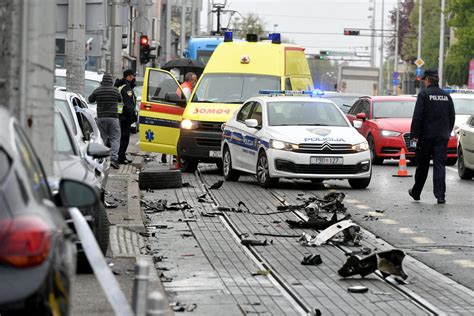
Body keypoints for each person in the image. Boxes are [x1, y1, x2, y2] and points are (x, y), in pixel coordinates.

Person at [408, 69, 455, 204]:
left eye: (424, 80)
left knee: (422, 166)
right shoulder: (446, 96)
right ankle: (440, 196)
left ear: (428, 80)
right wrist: (447, 131)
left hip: (426, 137)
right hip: (441, 136)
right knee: (440, 165)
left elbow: (417, 117)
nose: (423, 82)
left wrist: (414, 136)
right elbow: (451, 116)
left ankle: (416, 192)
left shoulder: (424, 94)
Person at [88, 73, 122, 169]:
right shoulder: (115, 90)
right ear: (111, 81)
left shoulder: (98, 90)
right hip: (113, 118)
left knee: (102, 138)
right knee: (114, 138)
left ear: (102, 81)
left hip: (101, 118)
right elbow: (120, 100)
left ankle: (102, 159)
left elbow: (90, 99)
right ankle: (114, 159)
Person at [115, 69, 138, 165]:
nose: (134, 79)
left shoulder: (120, 86)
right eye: (133, 77)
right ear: (129, 77)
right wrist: (132, 118)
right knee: (124, 138)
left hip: (119, 116)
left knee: (120, 138)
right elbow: (129, 106)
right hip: (124, 117)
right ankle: (120, 157)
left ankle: (121, 156)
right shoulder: (127, 89)